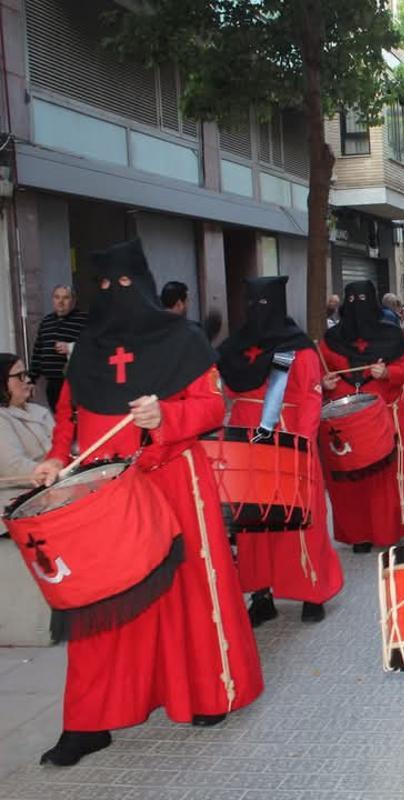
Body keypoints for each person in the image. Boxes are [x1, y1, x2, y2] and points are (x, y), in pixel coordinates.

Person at [31, 239, 263, 766]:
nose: (116, 295)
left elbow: (212, 407)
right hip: (100, 492)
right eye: (105, 287)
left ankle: (206, 693)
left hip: (172, 481)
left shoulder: (182, 339)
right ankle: (88, 722)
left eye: (125, 285)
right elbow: (68, 411)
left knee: (188, 593)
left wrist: (166, 420)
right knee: (97, 606)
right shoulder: (89, 344)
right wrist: (53, 456)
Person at [217, 276, 344, 625]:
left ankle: (311, 591)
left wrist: (301, 443)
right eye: (252, 305)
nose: (258, 312)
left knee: (301, 520)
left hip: (288, 437)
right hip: (246, 443)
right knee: (252, 522)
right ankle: (261, 594)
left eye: (264, 305)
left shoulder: (298, 347)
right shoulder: (234, 348)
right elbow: (227, 389)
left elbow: (309, 396)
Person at [320, 280, 404, 551]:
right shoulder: (330, 341)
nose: (359, 308)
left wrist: (388, 373)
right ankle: (360, 534)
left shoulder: (391, 336)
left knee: (398, 468)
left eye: (364, 301)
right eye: (353, 301)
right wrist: (325, 382)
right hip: (347, 422)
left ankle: (400, 524)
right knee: (353, 479)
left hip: (387, 415)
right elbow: (319, 373)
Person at [0, 353, 54, 534]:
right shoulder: (2, 418)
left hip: (53, 492)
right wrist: (55, 471)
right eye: (20, 376)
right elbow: (13, 466)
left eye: (27, 374)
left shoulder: (39, 411)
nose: (28, 380)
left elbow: (59, 448)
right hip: (20, 505)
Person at [28, 285, 88, 412]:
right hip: (52, 383)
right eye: (57, 297)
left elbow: (93, 345)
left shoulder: (84, 320)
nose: (60, 302)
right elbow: (38, 351)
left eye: (65, 298)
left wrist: (71, 347)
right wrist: (31, 379)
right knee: (58, 417)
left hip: (75, 381)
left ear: (73, 300)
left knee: (76, 417)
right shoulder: (46, 321)